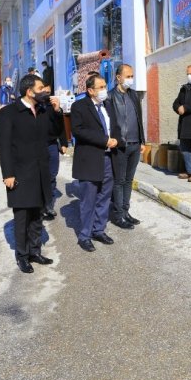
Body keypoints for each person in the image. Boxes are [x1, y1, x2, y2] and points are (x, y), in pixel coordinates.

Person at [0, 74, 56, 273]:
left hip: (40, 172)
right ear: (30, 91)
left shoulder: (42, 110)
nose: (45, 91)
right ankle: (22, 255)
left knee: (37, 215)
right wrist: (8, 174)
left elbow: (53, 134)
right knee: (22, 217)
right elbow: (4, 146)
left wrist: (56, 111)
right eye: (41, 88)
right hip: (20, 173)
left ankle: (35, 251)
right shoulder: (9, 113)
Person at [71, 73, 121, 252]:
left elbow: (114, 127)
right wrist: (104, 140)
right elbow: (78, 131)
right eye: (100, 87)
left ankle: (99, 230)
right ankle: (85, 235)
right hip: (89, 159)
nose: (104, 90)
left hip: (108, 158)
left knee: (104, 197)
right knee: (88, 200)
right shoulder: (79, 106)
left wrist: (116, 140)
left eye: (105, 86)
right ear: (90, 90)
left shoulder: (108, 105)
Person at [109, 63, 145, 229]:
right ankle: (118, 215)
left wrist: (142, 141)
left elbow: (139, 119)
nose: (131, 79)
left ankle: (125, 211)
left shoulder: (134, 95)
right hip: (121, 145)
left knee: (129, 180)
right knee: (119, 180)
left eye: (132, 76)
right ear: (118, 77)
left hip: (135, 144)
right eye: (128, 76)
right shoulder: (110, 97)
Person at [41, 79, 68, 220]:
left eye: (48, 92)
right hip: (37, 146)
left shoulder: (54, 107)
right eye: (43, 91)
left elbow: (61, 127)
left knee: (52, 175)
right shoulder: (34, 106)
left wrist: (63, 143)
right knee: (39, 177)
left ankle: (48, 206)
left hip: (52, 145)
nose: (46, 94)